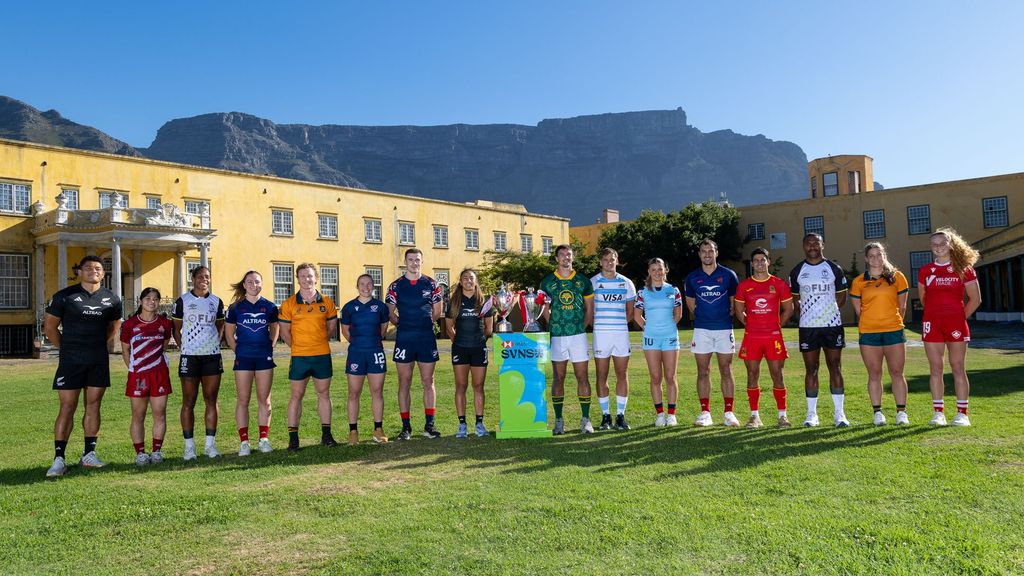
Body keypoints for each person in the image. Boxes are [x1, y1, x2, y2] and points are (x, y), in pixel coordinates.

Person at [44, 256, 123, 478]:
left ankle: (89, 454)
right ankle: (59, 459)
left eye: (98, 268)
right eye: (87, 268)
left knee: (93, 406)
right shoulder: (64, 296)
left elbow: (112, 329)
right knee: (67, 407)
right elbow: (49, 328)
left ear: (103, 274)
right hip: (71, 361)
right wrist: (67, 348)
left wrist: (93, 347)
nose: (93, 271)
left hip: (97, 360)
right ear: (79, 272)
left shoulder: (112, 299)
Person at [919, 228, 982, 427]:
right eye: (934, 244)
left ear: (951, 245)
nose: (938, 247)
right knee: (935, 368)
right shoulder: (925, 271)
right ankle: (938, 413)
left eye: (942, 243)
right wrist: (936, 315)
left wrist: (958, 317)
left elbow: (975, 299)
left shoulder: (964, 268)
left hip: (955, 324)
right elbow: (924, 299)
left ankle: (962, 414)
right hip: (932, 323)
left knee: (957, 367)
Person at [789, 233, 850, 427]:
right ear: (803, 246)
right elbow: (795, 301)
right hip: (808, 327)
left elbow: (842, 297)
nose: (812, 246)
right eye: (808, 243)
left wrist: (828, 312)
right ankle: (811, 415)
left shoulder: (834, 269)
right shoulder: (797, 271)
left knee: (835, 367)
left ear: (823, 245)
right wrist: (809, 315)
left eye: (816, 243)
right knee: (811, 369)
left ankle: (839, 414)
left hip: (832, 326)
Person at [279, 263, 339, 450]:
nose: (307, 279)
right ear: (297, 279)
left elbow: (331, 328)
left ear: (316, 278)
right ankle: (293, 439)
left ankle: (326, 435)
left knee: (324, 394)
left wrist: (318, 342)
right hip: (300, 357)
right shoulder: (289, 304)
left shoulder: (327, 303)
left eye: (310, 276)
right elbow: (285, 332)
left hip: (322, 355)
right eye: (303, 276)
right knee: (296, 396)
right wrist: (299, 347)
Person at [850, 243, 911, 426]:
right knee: (874, 374)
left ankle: (901, 413)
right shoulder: (858, 281)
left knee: (897, 372)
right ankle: (878, 413)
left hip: (894, 331)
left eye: (879, 254)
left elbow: (902, 307)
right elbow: (859, 311)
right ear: (866, 259)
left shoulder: (897, 277)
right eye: (872, 255)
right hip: (869, 333)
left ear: (884, 255)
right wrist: (873, 322)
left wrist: (890, 322)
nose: (876, 258)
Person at [386, 248, 444, 440]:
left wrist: (423, 324)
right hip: (404, 339)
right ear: (405, 262)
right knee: (404, 382)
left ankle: (429, 426)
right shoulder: (396, 286)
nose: (414, 263)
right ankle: (406, 427)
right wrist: (403, 324)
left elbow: (437, 311)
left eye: (417, 259)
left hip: (426, 338)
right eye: (410, 259)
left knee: (429, 381)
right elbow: (390, 312)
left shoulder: (432, 284)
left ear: (422, 261)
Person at [735, 248, 795, 428]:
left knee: (777, 374)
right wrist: (751, 324)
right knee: (752, 374)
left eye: (763, 260)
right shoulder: (744, 285)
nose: (760, 263)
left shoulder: (779, 284)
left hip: (773, 337)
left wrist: (776, 326)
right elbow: (739, 310)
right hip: (752, 337)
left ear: (769, 262)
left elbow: (789, 309)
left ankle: (782, 416)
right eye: (756, 260)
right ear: (752, 263)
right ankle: (754, 416)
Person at [539, 244, 595, 434]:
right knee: (558, 377)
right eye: (562, 255)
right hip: (557, 337)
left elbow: (589, 309)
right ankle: (559, 420)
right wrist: (554, 324)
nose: (566, 257)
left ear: (573, 257)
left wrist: (581, 327)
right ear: (556, 258)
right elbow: (543, 309)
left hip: (578, 336)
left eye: (568, 254)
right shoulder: (547, 282)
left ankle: (585, 419)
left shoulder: (583, 281)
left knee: (582, 377)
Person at [684, 239, 741, 427]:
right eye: (703, 251)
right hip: (702, 330)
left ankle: (729, 413)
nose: (707, 254)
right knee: (703, 371)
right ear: (699, 254)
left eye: (710, 251)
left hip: (724, 328)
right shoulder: (692, 277)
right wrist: (704, 317)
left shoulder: (729, 275)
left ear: (716, 252)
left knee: (726, 369)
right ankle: (705, 413)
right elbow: (691, 305)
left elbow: (733, 302)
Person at [172, 265, 225, 460]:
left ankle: (210, 446)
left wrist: (214, 343)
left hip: (211, 356)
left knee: (211, 400)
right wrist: (185, 347)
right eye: (200, 276)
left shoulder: (216, 301)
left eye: (207, 276)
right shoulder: (182, 301)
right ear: (193, 279)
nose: (204, 279)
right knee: (189, 401)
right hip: (190, 357)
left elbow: (220, 325)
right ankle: (189, 447)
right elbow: (176, 329)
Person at [224, 270, 279, 455]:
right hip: (244, 358)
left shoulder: (270, 307)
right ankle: (244, 442)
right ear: (244, 285)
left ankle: (263, 439)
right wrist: (239, 351)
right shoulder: (235, 308)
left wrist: (269, 347)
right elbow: (229, 334)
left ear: (261, 284)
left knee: (265, 400)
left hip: (264, 357)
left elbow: (275, 329)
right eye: (250, 282)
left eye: (257, 282)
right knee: (243, 400)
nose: (254, 285)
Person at [120, 287, 173, 466]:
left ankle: (156, 451)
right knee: (138, 415)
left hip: (159, 374)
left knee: (160, 413)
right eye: (148, 298)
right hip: (138, 376)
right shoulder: (130, 324)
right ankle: (141, 453)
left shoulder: (165, 323)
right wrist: (134, 368)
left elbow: (164, 345)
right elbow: (125, 350)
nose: (152, 302)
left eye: (156, 299)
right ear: (140, 301)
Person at [341, 274, 391, 444]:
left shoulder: (380, 307)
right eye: (362, 284)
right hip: (356, 353)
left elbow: (383, 329)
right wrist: (358, 343)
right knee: (354, 393)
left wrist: (371, 342)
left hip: (375, 352)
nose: (366, 287)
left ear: (373, 286)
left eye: (369, 284)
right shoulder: (349, 307)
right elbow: (345, 331)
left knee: (377, 391)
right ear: (357, 286)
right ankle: (353, 431)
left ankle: (378, 429)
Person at [590, 248, 636, 431]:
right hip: (601, 335)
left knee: (622, 374)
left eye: (612, 259)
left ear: (617, 261)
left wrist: (617, 326)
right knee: (601, 375)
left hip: (621, 334)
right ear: (600, 262)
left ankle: (620, 416)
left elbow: (630, 312)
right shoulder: (593, 282)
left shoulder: (627, 283)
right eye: (606, 259)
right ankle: (605, 416)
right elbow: (589, 311)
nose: (609, 262)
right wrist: (600, 326)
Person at [445, 268, 495, 438]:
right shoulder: (454, 301)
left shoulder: (484, 301)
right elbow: (449, 327)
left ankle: (479, 424)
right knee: (461, 386)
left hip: (479, 349)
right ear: (460, 282)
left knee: (478, 386)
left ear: (476, 281)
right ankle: (462, 425)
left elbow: (489, 328)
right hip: (460, 348)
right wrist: (459, 342)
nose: (468, 280)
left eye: (471, 278)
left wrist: (479, 341)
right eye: (465, 278)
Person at [633, 258, 682, 427]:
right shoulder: (642, 292)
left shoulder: (673, 290)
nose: (657, 272)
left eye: (660, 269)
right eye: (653, 269)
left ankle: (672, 415)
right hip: (651, 339)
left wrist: (667, 327)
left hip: (670, 337)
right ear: (649, 271)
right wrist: (648, 328)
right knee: (655, 377)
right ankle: (660, 415)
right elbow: (637, 315)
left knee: (670, 376)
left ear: (665, 270)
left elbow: (678, 314)